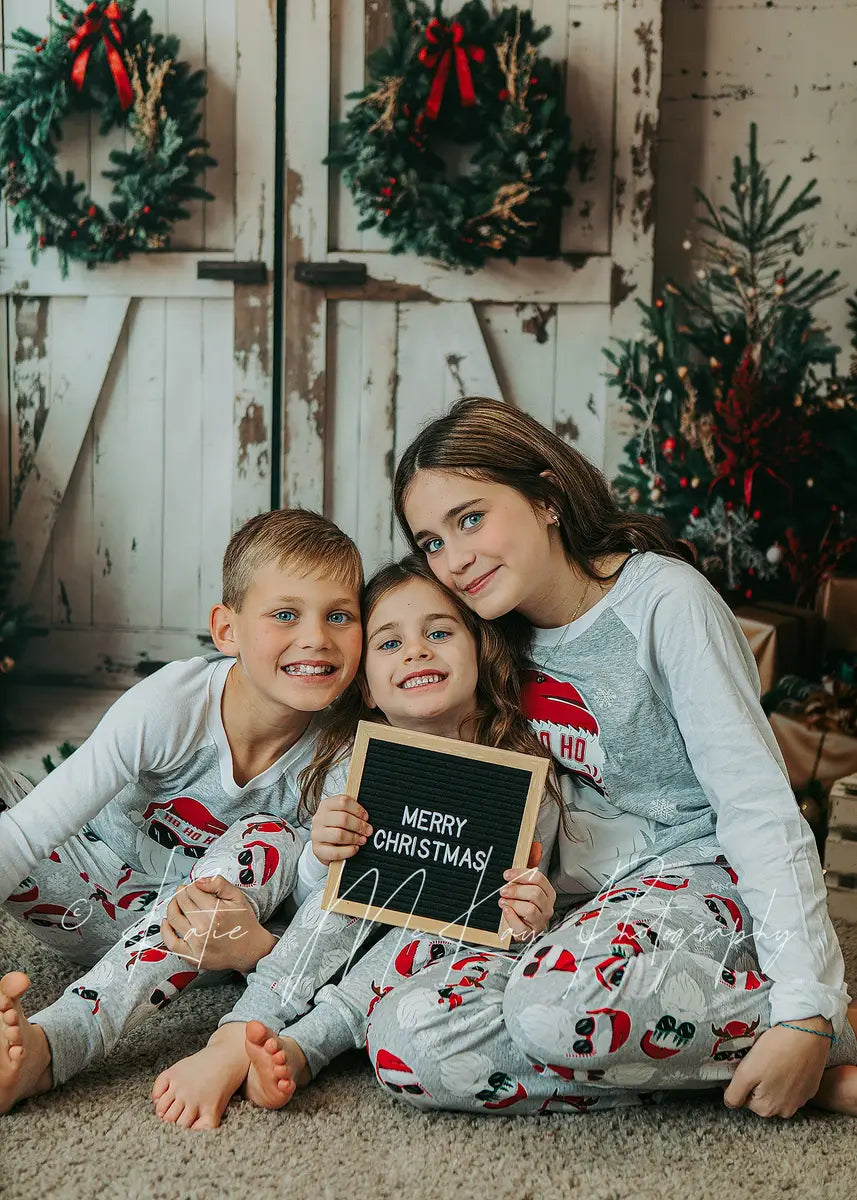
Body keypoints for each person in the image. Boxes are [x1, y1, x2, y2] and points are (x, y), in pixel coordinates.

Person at [342, 394, 857, 1120]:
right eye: (430, 541)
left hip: (697, 880)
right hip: (574, 913)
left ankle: (815, 1026)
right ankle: (778, 1066)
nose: (452, 561)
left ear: (546, 496)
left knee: (554, 1005)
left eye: (470, 519)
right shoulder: (489, 635)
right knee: (403, 1038)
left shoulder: (662, 603)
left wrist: (806, 1006)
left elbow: (756, 804)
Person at [154, 554, 561, 1124]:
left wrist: (528, 912)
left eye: (439, 633)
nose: (417, 650)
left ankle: (304, 1049)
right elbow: (313, 899)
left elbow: (512, 919)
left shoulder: (523, 777)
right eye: (389, 644)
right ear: (366, 687)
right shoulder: (360, 767)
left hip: (427, 961)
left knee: (434, 928)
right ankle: (239, 1033)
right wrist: (323, 855)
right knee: (341, 898)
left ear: (480, 650)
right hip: (333, 935)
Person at [0, 508, 364, 1116]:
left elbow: (314, 909)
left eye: (339, 616)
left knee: (269, 837)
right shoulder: (173, 704)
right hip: (84, 887)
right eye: (285, 614)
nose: (316, 638)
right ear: (227, 629)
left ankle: (48, 1046)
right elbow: (33, 827)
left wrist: (254, 948)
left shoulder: (343, 754)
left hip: (199, 945)